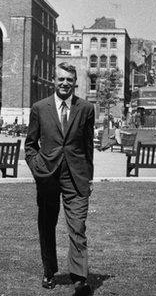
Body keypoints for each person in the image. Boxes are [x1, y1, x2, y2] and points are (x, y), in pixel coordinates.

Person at [25, 62, 94, 295]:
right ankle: (49, 271)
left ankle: (79, 278)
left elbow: (87, 147)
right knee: (47, 225)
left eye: (69, 79)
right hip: (48, 176)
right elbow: (30, 145)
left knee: (78, 226)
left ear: (75, 82)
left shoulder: (86, 108)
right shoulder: (40, 108)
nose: (65, 83)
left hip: (76, 177)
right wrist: (37, 168)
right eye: (61, 79)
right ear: (54, 81)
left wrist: (89, 177)